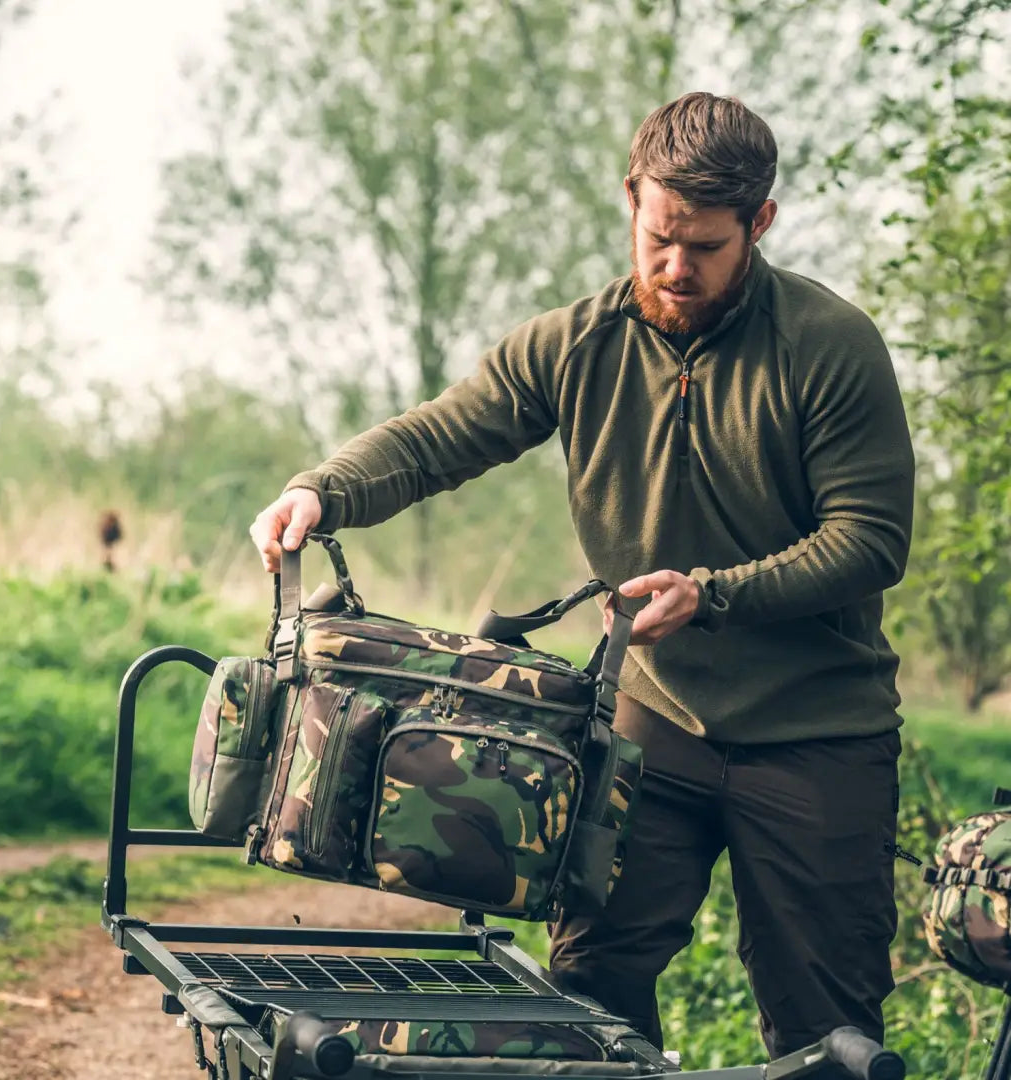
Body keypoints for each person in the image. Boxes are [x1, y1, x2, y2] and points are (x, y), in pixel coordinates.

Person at [249, 92, 914, 1069]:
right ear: (632, 201)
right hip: (652, 724)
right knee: (588, 992)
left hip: (819, 739)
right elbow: (444, 433)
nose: (675, 267)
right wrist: (325, 490)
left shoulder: (830, 345)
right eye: (658, 237)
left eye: (706, 247)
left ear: (760, 225)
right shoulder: (577, 343)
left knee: (832, 1032)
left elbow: (870, 540)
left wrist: (713, 594)